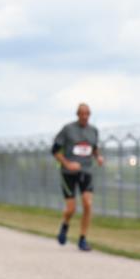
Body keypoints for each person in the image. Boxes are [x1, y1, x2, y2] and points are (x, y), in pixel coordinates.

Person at [51, 103, 104, 250]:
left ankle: (82, 239)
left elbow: (93, 148)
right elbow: (55, 150)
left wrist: (98, 157)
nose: (85, 117)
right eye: (82, 114)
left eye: (87, 114)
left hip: (86, 171)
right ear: (77, 114)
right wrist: (67, 164)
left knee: (88, 203)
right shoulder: (68, 130)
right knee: (71, 209)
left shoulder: (94, 131)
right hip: (68, 173)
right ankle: (65, 225)